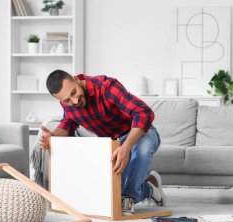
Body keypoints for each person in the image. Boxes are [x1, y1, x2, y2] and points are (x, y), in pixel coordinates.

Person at [40, 70, 166, 213]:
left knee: (143, 148)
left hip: (139, 134)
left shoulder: (106, 86)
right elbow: (69, 122)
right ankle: (150, 189)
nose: (74, 101)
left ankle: (129, 198)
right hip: (113, 143)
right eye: (67, 100)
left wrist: (126, 148)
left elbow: (143, 113)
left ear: (76, 79)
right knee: (110, 198)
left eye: (74, 93)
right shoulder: (68, 103)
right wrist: (53, 136)